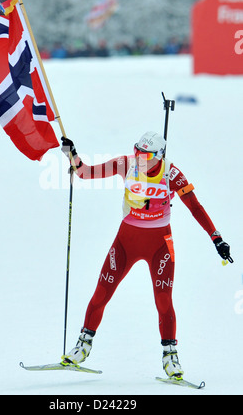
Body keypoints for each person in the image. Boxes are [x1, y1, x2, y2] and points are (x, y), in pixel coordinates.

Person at [60, 132, 231, 379]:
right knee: (101, 293)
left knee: (163, 301)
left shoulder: (171, 173)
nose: (140, 158)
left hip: (159, 246)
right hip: (126, 242)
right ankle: (82, 347)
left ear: (160, 156)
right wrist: (72, 155)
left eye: (147, 155)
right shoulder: (126, 164)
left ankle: (170, 358)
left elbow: (195, 206)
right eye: (137, 151)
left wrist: (216, 237)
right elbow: (86, 173)